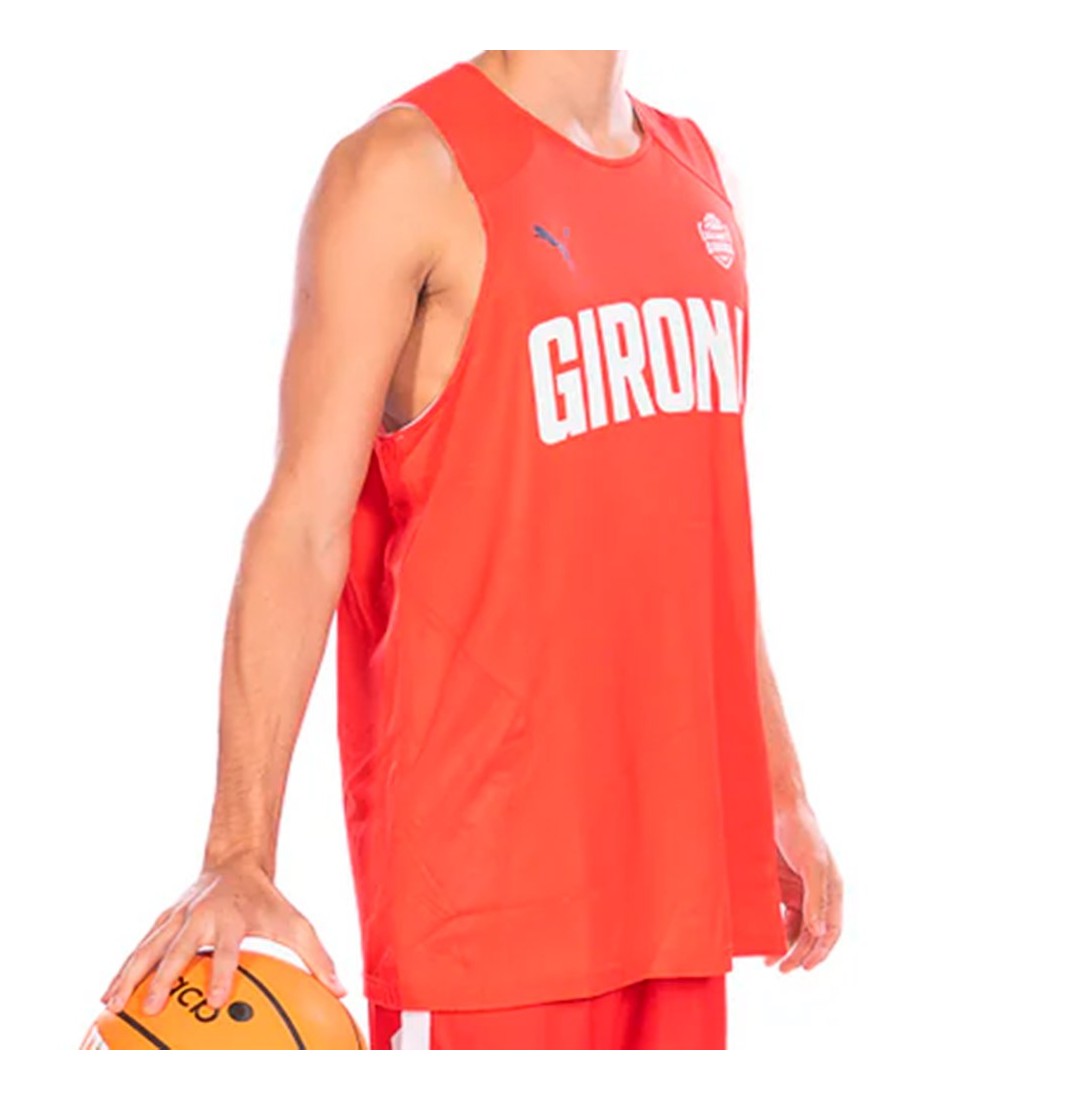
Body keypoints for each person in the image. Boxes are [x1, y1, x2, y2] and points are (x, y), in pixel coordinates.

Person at [100, 49, 843, 1050]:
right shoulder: (403, 169)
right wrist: (239, 851)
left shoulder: (696, 168)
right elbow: (301, 526)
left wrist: (778, 784)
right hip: (486, 893)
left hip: (676, 880)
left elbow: (692, 523)